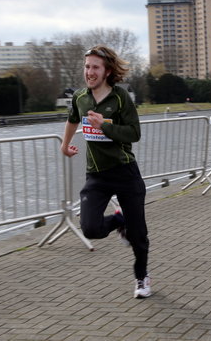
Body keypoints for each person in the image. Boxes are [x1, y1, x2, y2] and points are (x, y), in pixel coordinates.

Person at [60, 45, 151, 298]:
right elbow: (72, 118)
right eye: (87, 66)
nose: (89, 72)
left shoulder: (121, 97)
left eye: (95, 67)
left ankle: (142, 278)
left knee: (139, 235)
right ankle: (118, 220)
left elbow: (134, 133)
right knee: (90, 228)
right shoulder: (80, 97)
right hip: (96, 176)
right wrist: (65, 144)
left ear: (107, 71)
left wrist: (105, 127)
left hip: (124, 172)